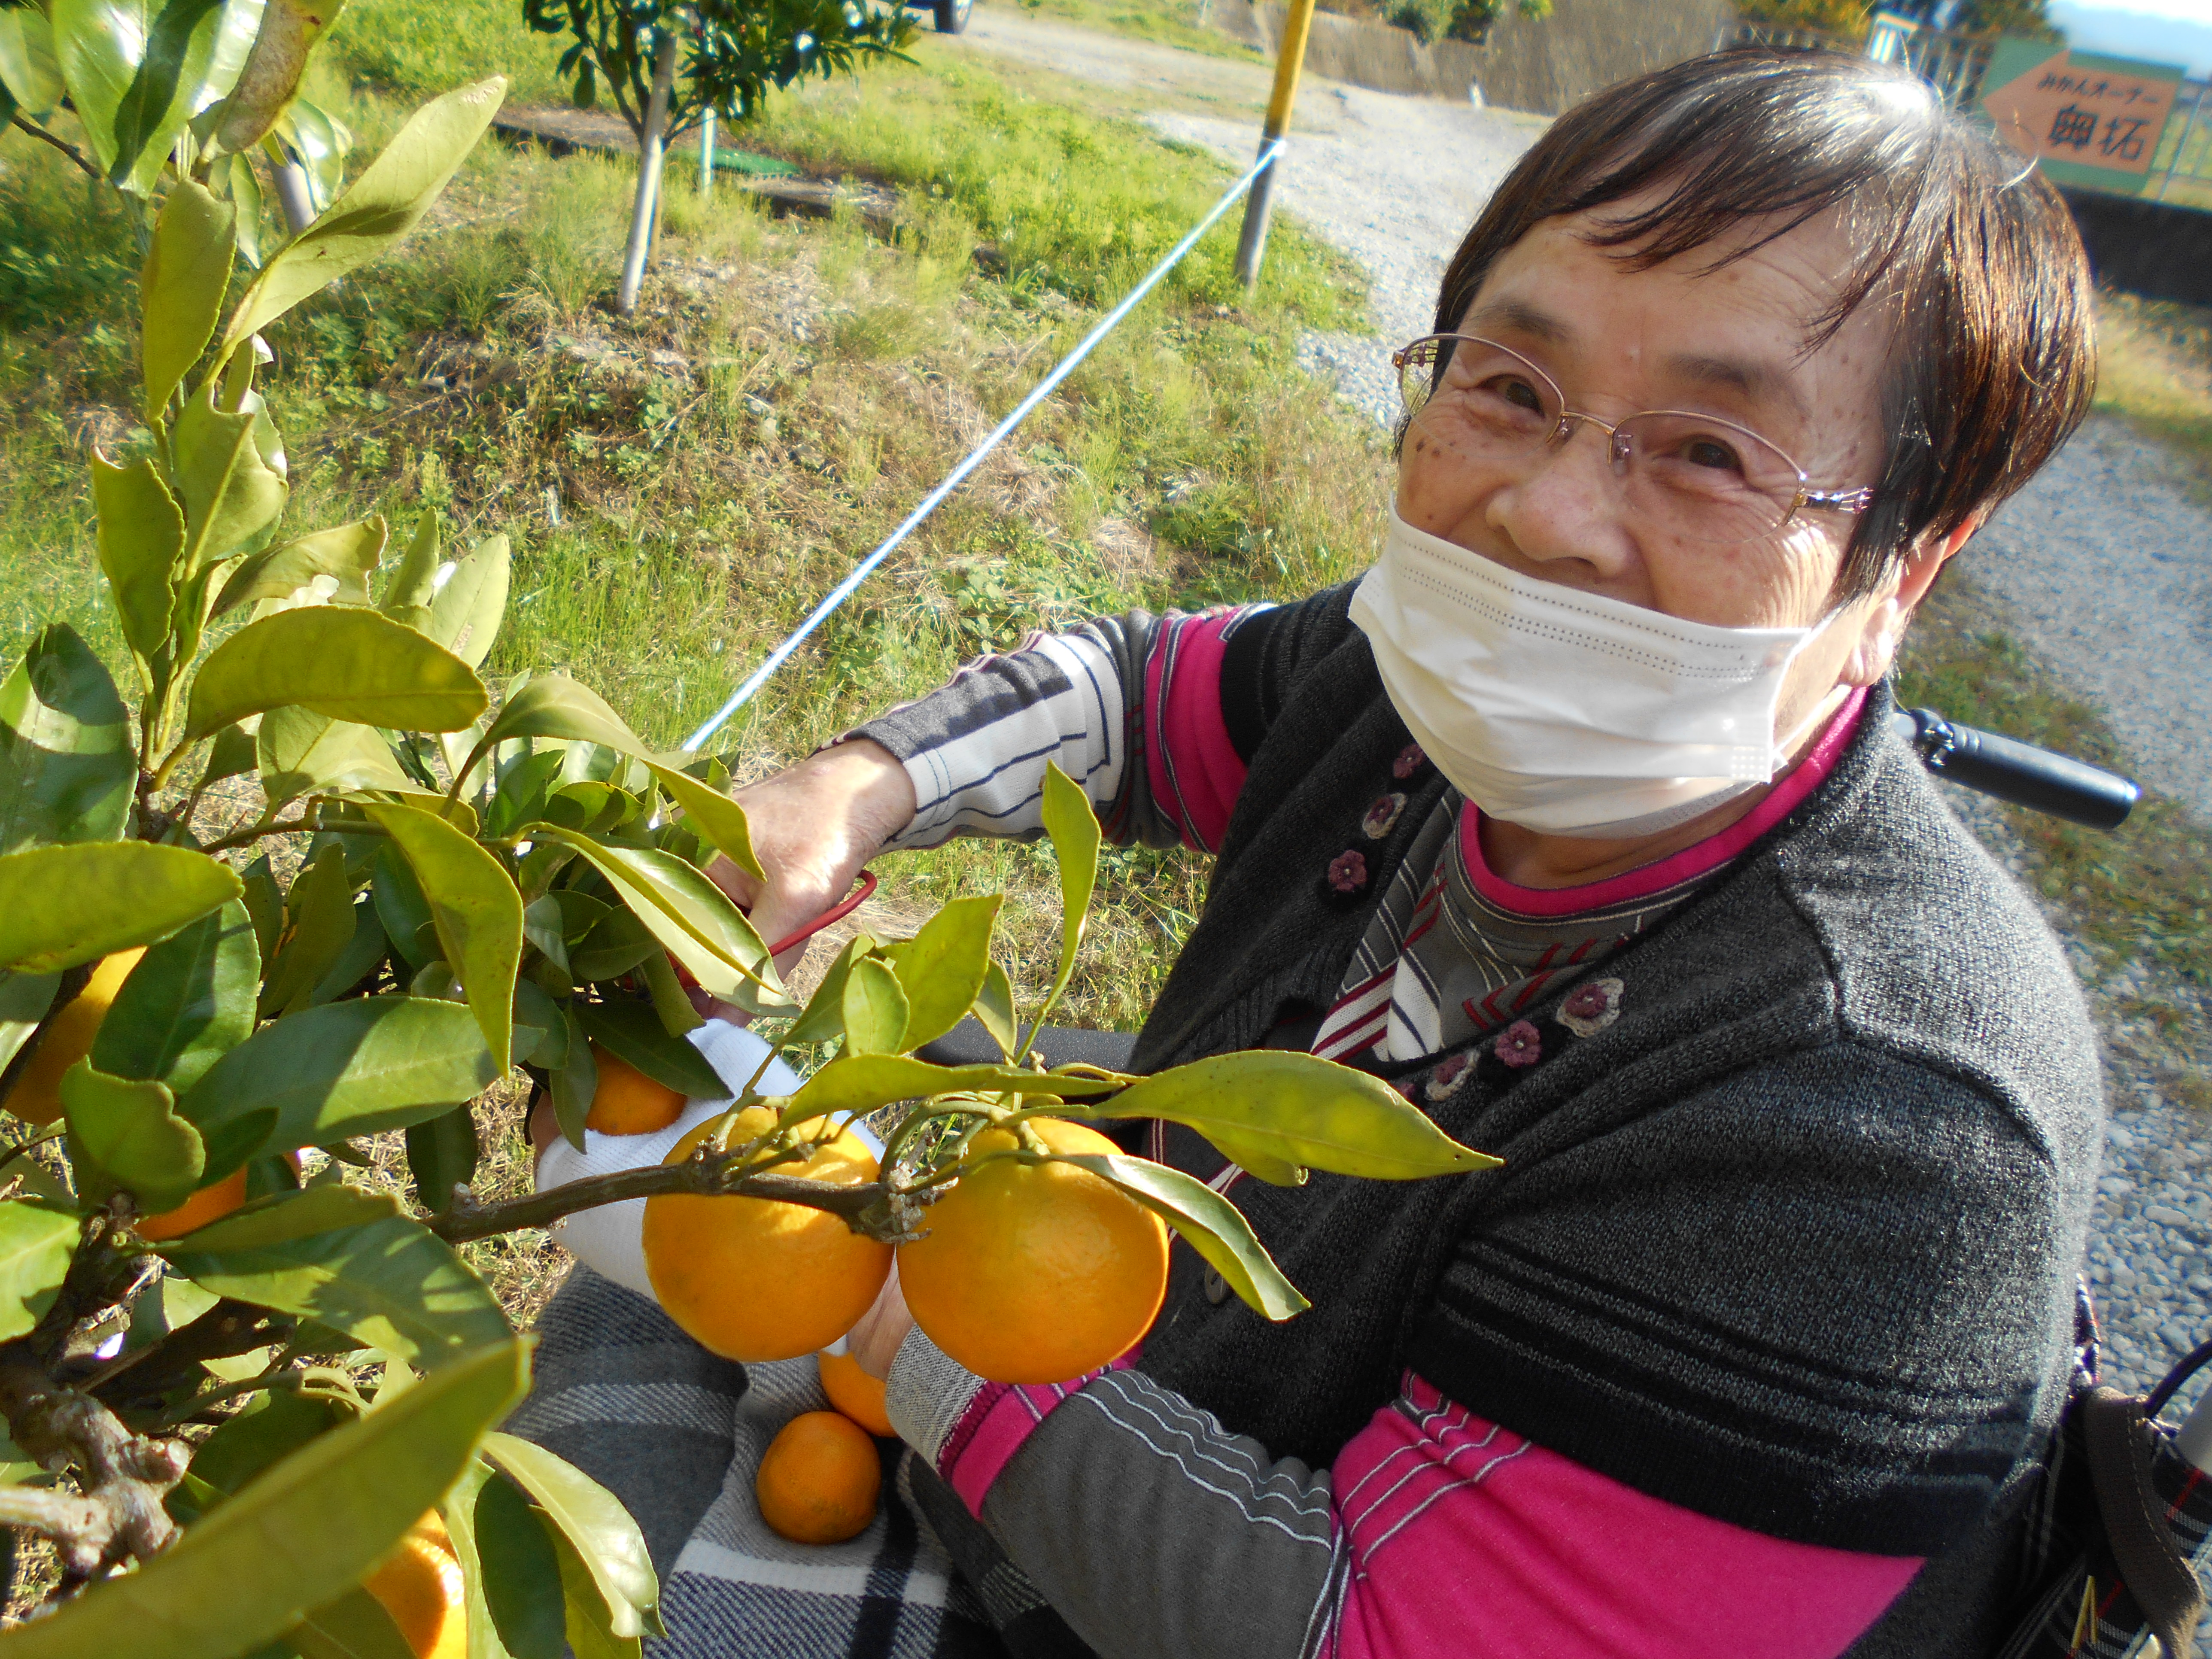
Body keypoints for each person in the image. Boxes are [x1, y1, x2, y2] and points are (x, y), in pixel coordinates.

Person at [512, 45, 2103, 1658]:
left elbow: (1371, 1632)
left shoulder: (1875, 1114)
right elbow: (1135, 700)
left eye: (1710, 450)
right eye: (1508, 386)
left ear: (1907, 565)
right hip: (1114, 1380)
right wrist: (855, 789)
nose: (1547, 516)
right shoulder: (1420, 674)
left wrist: (875, 1289)